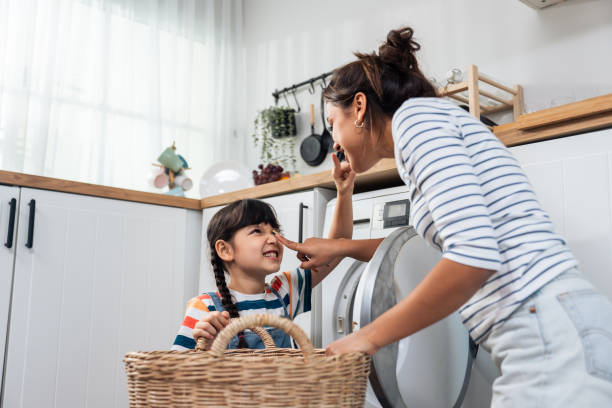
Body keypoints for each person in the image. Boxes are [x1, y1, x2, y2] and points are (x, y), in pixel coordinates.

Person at [275, 26, 612, 406]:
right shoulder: (427, 123)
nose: (333, 142)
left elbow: (472, 256)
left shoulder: (415, 123)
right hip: (551, 325)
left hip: (545, 331)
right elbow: (429, 253)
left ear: (359, 107)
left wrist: (366, 336)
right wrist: (342, 247)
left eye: (332, 124)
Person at [171, 153, 354, 350]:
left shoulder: (283, 292)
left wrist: (343, 193)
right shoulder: (205, 307)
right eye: (257, 231)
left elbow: (336, 248)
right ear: (225, 250)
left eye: (275, 231)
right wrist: (205, 347)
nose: (273, 238)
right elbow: (178, 371)